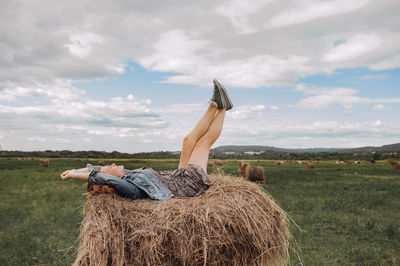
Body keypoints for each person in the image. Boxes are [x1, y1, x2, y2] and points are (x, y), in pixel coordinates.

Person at [60, 79, 233, 201]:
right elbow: (101, 177)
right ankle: (222, 107)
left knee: (188, 140)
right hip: (188, 184)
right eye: (108, 168)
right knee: (203, 143)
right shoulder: (130, 188)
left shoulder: (127, 174)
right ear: (110, 182)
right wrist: (75, 176)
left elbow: (95, 170)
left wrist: (73, 169)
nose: (111, 164)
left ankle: (215, 104)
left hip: (177, 177)